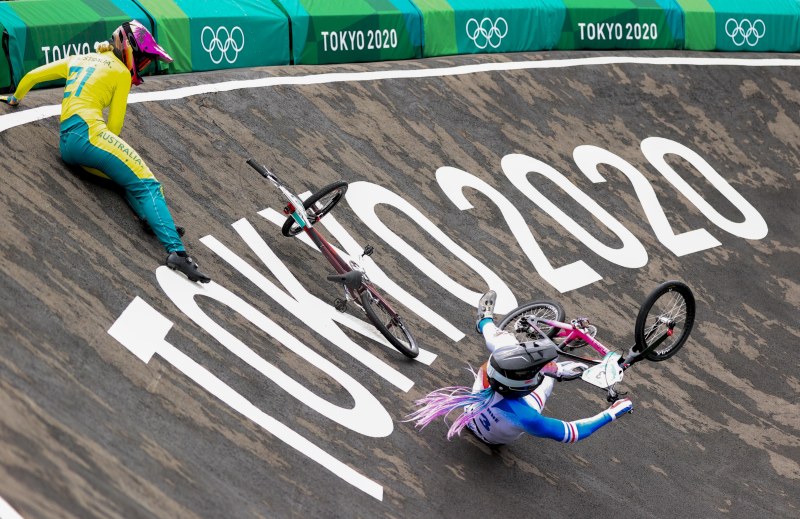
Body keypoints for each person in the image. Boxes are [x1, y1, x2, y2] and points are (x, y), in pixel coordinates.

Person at [0, 21, 210, 283]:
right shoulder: (120, 73)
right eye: (143, 59)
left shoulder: (80, 58)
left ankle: (150, 218)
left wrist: (14, 99)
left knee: (124, 179)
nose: (143, 65)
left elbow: (32, 76)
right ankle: (178, 253)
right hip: (90, 136)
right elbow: (114, 128)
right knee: (148, 185)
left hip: (67, 143)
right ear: (128, 49)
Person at [406, 290, 633, 445]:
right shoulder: (526, 417)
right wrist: (613, 412)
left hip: (475, 417)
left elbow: (574, 432)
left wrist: (612, 411)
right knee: (548, 377)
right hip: (495, 438)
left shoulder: (487, 370)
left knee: (505, 348)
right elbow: (572, 432)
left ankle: (484, 320)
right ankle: (558, 367)